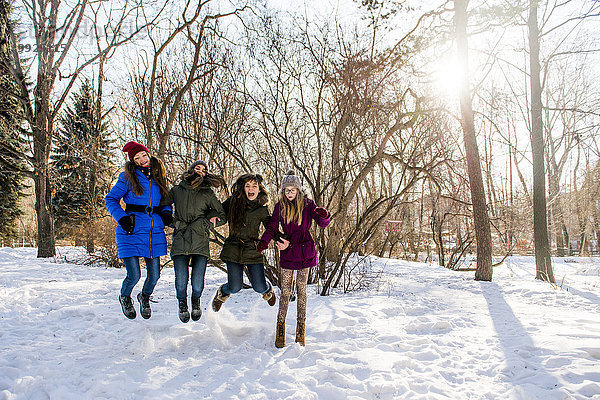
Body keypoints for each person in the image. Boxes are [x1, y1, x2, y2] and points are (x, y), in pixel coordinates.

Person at [257, 170, 330, 348]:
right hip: (288, 252)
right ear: (283, 191)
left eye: (293, 189)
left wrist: (323, 214)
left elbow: (322, 223)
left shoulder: (308, 204)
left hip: (305, 251)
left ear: (299, 190)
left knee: (302, 290)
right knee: (286, 292)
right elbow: (272, 228)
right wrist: (264, 242)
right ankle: (280, 328)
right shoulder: (280, 207)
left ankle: (300, 329)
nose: (290, 193)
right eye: (287, 190)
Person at [105, 141, 172, 320]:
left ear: (148, 154)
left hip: (153, 230)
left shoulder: (159, 176)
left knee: (155, 275)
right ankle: (125, 297)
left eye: (143, 155)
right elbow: (110, 199)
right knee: (134, 275)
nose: (142, 160)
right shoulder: (127, 177)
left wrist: (166, 214)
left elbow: (165, 201)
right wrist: (122, 218)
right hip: (131, 229)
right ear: (133, 161)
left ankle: (144, 296)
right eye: (137, 158)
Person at [160, 161, 227, 323]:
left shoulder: (207, 193)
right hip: (180, 239)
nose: (200, 172)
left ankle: (196, 302)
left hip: (199, 240)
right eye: (197, 168)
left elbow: (222, 216)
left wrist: (205, 223)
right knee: (181, 280)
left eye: (204, 170)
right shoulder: (177, 190)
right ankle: (182, 304)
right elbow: (162, 207)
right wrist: (175, 223)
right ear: (190, 170)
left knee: (197, 282)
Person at [211, 173, 277, 312]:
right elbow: (219, 212)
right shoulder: (232, 203)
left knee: (259, 286)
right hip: (233, 248)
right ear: (243, 188)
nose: (251, 189)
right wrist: (212, 216)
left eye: (254, 186)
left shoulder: (261, 209)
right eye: (247, 186)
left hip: (252, 249)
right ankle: (222, 294)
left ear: (259, 189)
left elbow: (271, 228)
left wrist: (282, 239)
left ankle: (268, 291)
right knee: (235, 287)